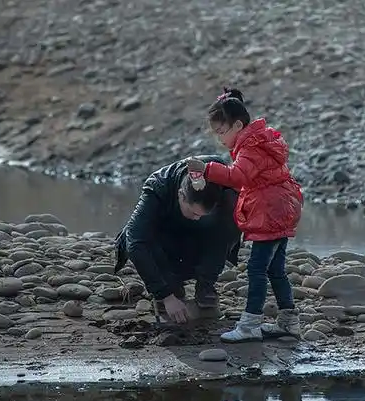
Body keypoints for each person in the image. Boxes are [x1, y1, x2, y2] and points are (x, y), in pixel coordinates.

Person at [186, 87, 304, 343]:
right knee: (276, 269)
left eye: (222, 132)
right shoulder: (258, 141)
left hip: (269, 212)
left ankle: (250, 324)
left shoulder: (251, 147)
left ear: (238, 125)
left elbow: (238, 176)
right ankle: (289, 321)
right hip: (280, 207)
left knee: (257, 269)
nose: (220, 139)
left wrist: (207, 170)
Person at [114, 156, 241, 323]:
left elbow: (225, 237)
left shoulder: (226, 181)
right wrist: (165, 295)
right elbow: (136, 241)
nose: (197, 218)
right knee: (140, 238)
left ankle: (205, 288)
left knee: (230, 219)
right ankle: (171, 284)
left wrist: (207, 279)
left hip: (197, 237)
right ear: (181, 195)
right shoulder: (158, 186)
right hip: (165, 237)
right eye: (194, 212)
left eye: (202, 214)